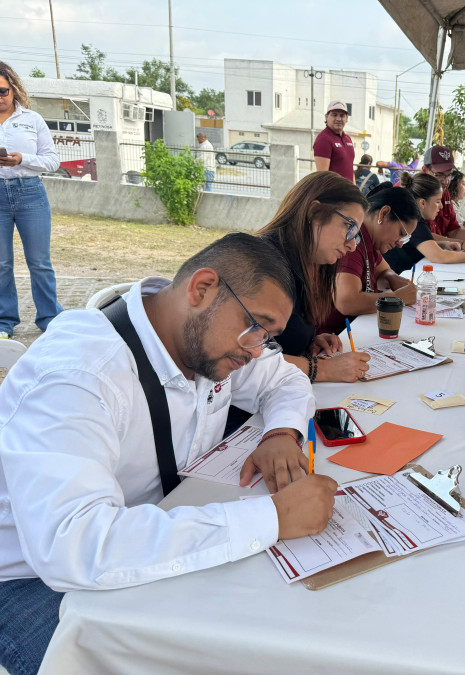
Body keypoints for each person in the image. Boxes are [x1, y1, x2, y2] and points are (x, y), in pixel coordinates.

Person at [0, 233, 338, 675]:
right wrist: (272, 518)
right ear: (202, 289)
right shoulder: (79, 375)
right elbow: (74, 546)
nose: (256, 349)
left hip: (154, 527)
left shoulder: (207, 340)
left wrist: (281, 432)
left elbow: (285, 382)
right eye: (256, 326)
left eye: (268, 337)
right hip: (32, 580)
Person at [256, 171, 373, 383]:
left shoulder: (301, 263)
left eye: (357, 235)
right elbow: (247, 363)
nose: (353, 244)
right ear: (314, 212)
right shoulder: (260, 266)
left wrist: (307, 342)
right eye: (349, 228)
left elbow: (277, 342)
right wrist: (323, 369)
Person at [0, 61, 63, 338]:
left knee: (39, 262)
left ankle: (50, 319)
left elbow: (52, 161)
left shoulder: (32, 120)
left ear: (13, 88)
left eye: (2, 91)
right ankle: (4, 321)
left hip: (30, 193)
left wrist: (23, 159)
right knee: (1, 263)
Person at [320, 183, 418, 333]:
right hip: (333, 338)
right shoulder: (354, 241)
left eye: (405, 239)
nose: (400, 244)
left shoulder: (370, 241)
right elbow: (346, 301)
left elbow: (384, 271)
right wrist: (397, 298)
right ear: (384, 214)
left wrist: (396, 281)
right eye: (401, 233)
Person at [383, 173, 465, 274]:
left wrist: (443, 244)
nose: (441, 206)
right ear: (422, 203)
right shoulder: (413, 219)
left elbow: (420, 242)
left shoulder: (413, 215)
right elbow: (438, 256)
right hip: (392, 282)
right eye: (437, 201)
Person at [313, 101, 355, 182]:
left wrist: (355, 190)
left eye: (342, 115)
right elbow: (323, 177)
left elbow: (350, 170)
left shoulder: (347, 139)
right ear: (326, 117)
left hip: (348, 192)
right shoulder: (324, 139)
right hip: (334, 192)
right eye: (334, 115)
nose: (338, 119)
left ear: (346, 119)